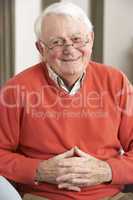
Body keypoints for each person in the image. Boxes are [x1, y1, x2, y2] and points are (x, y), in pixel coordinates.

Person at [0, 2, 133, 200]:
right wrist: (39, 170)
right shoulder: (16, 88)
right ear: (41, 49)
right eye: (57, 42)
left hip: (112, 197)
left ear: (91, 40)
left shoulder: (116, 81)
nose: (70, 49)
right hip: (43, 197)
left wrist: (107, 170)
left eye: (77, 39)